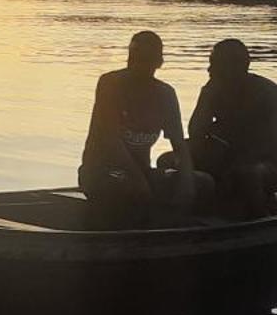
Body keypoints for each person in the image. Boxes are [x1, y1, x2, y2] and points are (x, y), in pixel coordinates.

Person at [78, 29, 204, 225]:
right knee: (128, 187)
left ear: (159, 62)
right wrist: (139, 181)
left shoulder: (165, 94)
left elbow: (179, 144)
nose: (137, 64)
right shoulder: (110, 84)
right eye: (134, 58)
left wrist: (187, 181)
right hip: (101, 172)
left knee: (203, 183)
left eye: (145, 59)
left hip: (143, 172)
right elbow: (111, 140)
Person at [159, 37, 277, 219]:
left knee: (246, 174)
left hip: (261, 163)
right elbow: (195, 132)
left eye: (215, 64)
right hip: (222, 156)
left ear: (236, 67)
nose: (209, 70)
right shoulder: (213, 90)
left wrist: (225, 156)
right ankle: (179, 213)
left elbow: (268, 145)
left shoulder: (267, 92)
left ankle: (263, 220)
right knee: (166, 160)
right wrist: (207, 97)